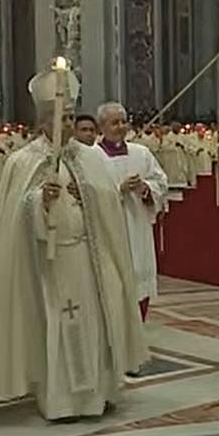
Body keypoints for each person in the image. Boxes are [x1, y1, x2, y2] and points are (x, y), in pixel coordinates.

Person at [0, 68, 148, 422]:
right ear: (44, 120)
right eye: (63, 117)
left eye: (73, 116)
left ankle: (99, 394)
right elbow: (15, 217)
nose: (69, 123)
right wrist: (40, 202)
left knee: (96, 323)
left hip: (91, 256)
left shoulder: (90, 157)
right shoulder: (23, 161)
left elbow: (105, 201)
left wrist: (83, 194)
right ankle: (62, 402)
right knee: (63, 326)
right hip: (52, 261)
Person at [96, 102, 168, 322]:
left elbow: (161, 182)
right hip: (109, 231)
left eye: (123, 121)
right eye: (114, 122)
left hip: (137, 227)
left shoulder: (141, 153)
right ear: (102, 127)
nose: (120, 126)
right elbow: (88, 194)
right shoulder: (92, 157)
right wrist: (119, 190)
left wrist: (145, 188)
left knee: (140, 285)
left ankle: (138, 329)